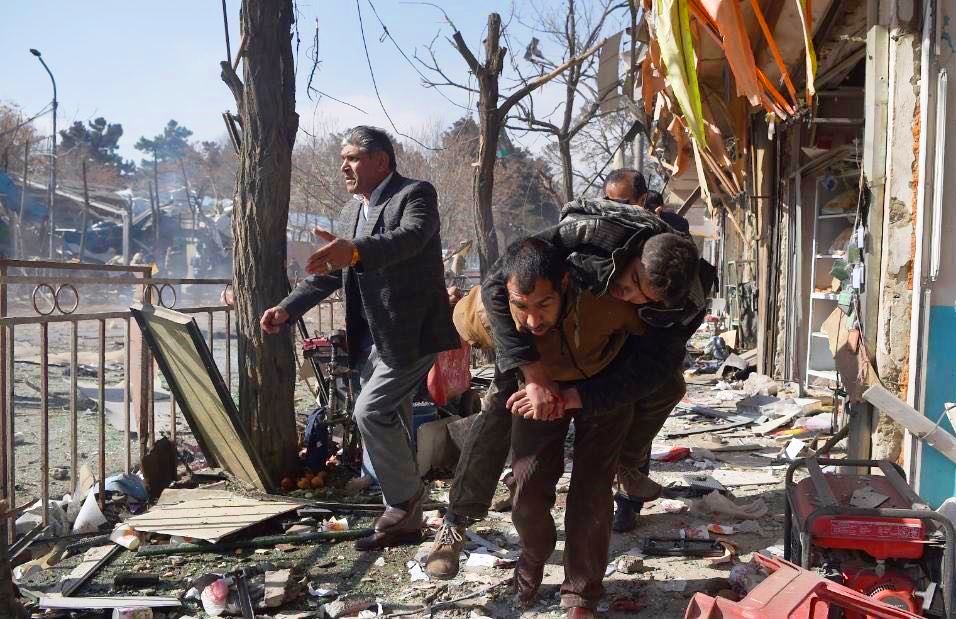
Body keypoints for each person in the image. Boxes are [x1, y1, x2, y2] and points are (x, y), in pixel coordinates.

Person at [260, 126, 458, 551]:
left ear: (381, 161)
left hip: (411, 334)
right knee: (394, 421)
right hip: (369, 339)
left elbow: (409, 239)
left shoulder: (415, 195)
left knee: (370, 412)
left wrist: (355, 250)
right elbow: (331, 274)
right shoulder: (353, 212)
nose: (343, 167)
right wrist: (287, 309)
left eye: (351, 158)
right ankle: (407, 522)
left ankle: (405, 502)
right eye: (342, 159)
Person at [449, 237, 662, 616]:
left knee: (592, 490)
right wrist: (528, 373)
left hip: (603, 390)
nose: (533, 320)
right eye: (521, 307)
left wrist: (591, 394)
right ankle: (532, 554)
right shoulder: (489, 314)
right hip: (534, 395)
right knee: (527, 486)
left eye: (544, 304)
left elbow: (651, 361)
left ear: (565, 284)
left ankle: (581, 594)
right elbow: (466, 326)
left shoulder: (608, 298)